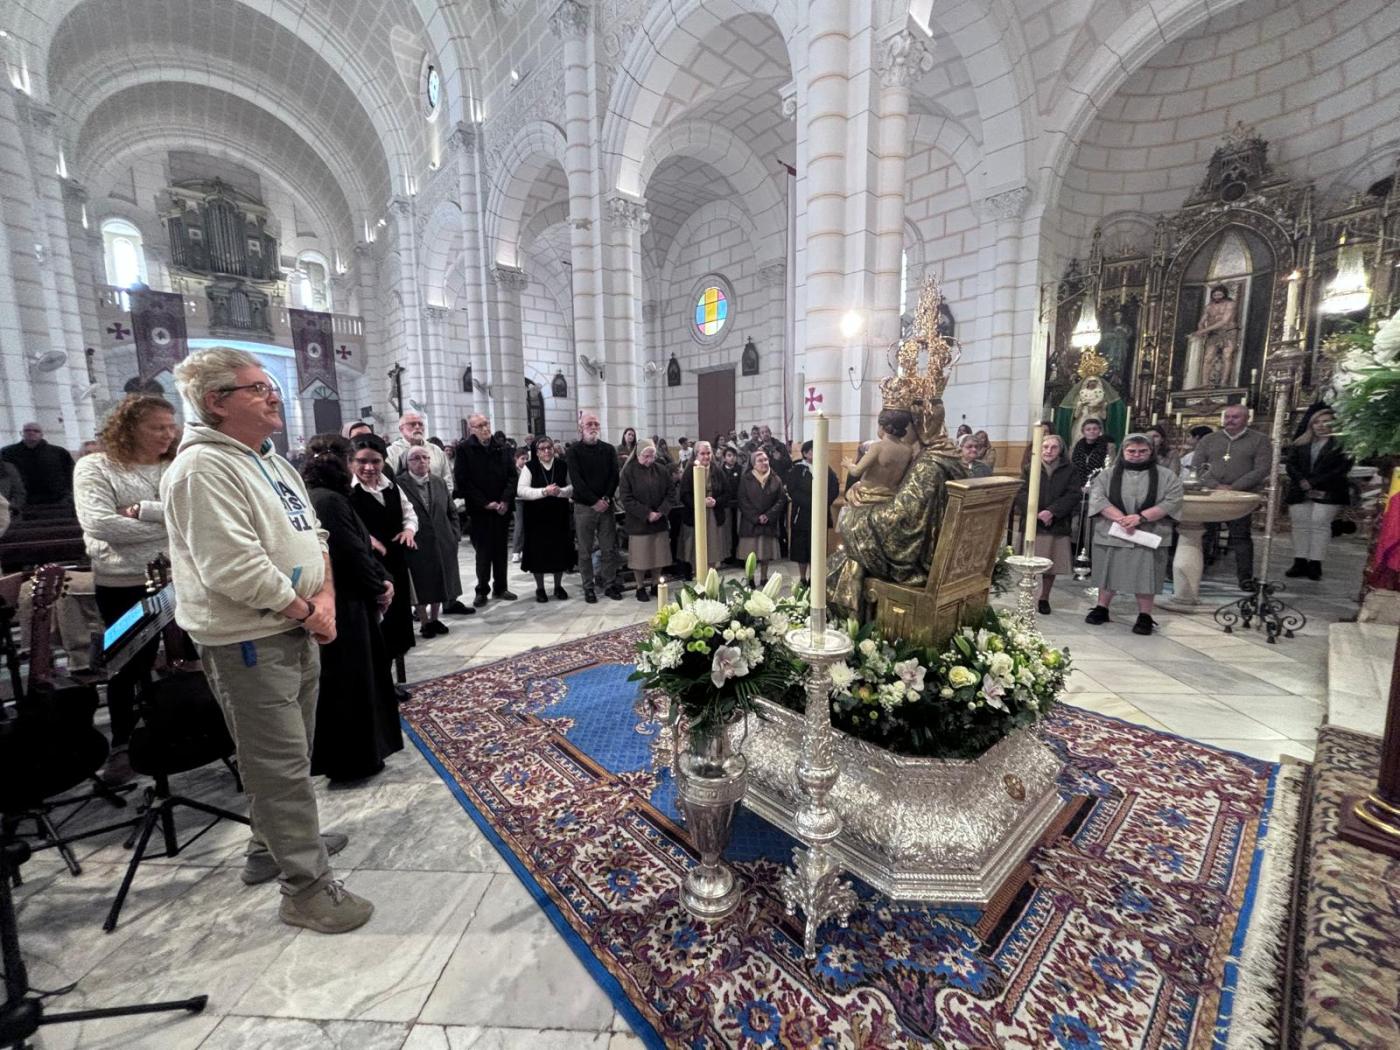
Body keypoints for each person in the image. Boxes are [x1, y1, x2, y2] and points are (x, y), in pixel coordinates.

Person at [162, 347, 370, 933]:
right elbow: (232, 566)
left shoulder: (270, 461)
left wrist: (325, 597)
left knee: (290, 754)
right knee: (277, 765)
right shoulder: (203, 468)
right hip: (250, 637)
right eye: (257, 388)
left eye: (271, 385)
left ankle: (267, 847)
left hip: (294, 624)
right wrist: (308, 610)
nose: (273, 394)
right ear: (216, 403)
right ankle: (305, 889)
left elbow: (314, 531)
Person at [73, 394, 180, 783]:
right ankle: (122, 743)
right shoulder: (95, 467)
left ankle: (184, 729)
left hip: (180, 576)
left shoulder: (174, 464)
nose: (168, 434)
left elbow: (192, 514)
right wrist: (170, 524)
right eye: (158, 427)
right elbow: (101, 524)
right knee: (126, 665)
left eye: (171, 426)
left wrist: (146, 512)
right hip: (122, 581)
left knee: (189, 659)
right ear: (129, 428)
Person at [301, 435, 400, 782]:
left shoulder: (325, 497)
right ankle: (354, 760)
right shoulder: (328, 501)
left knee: (355, 679)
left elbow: (359, 544)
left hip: (346, 597)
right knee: (350, 683)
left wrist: (380, 577)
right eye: (353, 461)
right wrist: (379, 586)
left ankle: (360, 755)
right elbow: (348, 551)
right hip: (345, 601)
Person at [1083, 433, 1184, 636]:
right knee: (1108, 570)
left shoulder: (1166, 476)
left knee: (1146, 574)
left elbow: (1172, 501)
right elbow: (1098, 497)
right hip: (1114, 531)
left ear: (1150, 452)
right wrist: (1120, 517)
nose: (1136, 455)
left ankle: (1144, 615)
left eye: (1142, 451)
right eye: (1131, 451)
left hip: (1149, 532)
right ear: (1123, 452)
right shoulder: (1107, 475)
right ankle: (1102, 607)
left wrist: (1141, 517)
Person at [348, 434, 417, 664]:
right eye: (362, 461)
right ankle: (381, 684)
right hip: (368, 567)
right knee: (376, 627)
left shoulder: (392, 487)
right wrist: (367, 539)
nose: (369, 467)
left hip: (395, 561)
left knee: (397, 621)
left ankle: (392, 677)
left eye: (376, 461)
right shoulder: (348, 493)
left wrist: (409, 530)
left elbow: (409, 514)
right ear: (351, 462)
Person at [1193, 403, 1271, 588]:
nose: (1230, 420)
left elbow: (1262, 468)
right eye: (1227, 417)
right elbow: (1197, 466)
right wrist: (1214, 485)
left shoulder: (1259, 440)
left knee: (1240, 537)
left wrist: (1234, 487)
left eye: (1235, 417)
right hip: (1211, 494)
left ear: (1247, 419)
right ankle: (1196, 572)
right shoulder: (1210, 439)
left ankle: (1245, 577)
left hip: (1240, 496)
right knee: (1204, 534)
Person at [398, 445, 466, 635]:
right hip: (416, 540)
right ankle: (424, 621)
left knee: (439, 579)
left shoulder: (438, 482)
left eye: (425, 457)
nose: (422, 461)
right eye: (416, 458)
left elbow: (451, 510)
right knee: (420, 583)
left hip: (442, 539)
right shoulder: (399, 483)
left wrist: (454, 535)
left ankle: (435, 619)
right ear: (407, 463)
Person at [1015, 433, 1083, 614]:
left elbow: (1073, 494)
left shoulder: (1070, 470)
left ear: (1061, 450)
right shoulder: (1030, 468)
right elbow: (1020, 492)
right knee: (1029, 562)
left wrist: (1052, 511)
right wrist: (1035, 512)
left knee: (1049, 563)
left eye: (1054, 447)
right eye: (1045, 447)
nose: (1049, 451)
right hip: (1033, 522)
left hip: (1056, 523)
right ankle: (1027, 595)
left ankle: (1044, 597)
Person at [1283, 403, 1352, 581]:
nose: (1321, 425)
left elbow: (1341, 468)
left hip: (1328, 490)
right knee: (1300, 525)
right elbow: (1291, 464)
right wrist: (1301, 481)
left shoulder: (1342, 445)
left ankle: (1315, 563)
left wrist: (1313, 482)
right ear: (1311, 425)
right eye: (1317, 422)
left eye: (1326, 422)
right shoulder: (1300, 443)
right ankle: (1300, 561)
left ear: (1335, 424)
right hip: (1300, 490)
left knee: (1320, 525)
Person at [454, 414, 517, 606]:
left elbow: (512, 476)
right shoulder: (464, 449)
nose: (484, 428)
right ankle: (482, 590)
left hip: (501, 509)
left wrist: (505, 500)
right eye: (479, 426)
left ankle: (501, 587)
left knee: (500, 550)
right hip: (480, 510)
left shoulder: (502, 447)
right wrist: (484, 503)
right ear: (471, 429)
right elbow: (463, 480)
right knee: (483, 552)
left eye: (486, 424)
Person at [566, 413, 623, 603]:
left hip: (606, 505)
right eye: (589, 424)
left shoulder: (608, 449)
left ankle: (609, 584)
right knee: (585, 550)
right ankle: (588, 587)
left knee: (609, 549)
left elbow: (614, 476)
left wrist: (605, 498)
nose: (593, 427)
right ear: (580, 427)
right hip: (584, 507)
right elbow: (577, 480)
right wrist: (594, 501)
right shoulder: (573, 451)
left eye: (596, 423)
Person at [516, 436, 576, 601]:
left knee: (559, 551)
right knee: (538, 553)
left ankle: (558, 586)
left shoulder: (563, 465)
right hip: (536, 516)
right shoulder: (530, 467)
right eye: (543, 448)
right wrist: (544, 491)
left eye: (549, 447)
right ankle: (540, 588)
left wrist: (561, 492)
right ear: (537, 452)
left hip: (558, 515)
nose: (547, 451)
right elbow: (521, 491)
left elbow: (572, 487)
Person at [619, 440, 675, 602]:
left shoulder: (661, 470)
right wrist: (646, 513)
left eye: (652, 456)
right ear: (638, 455)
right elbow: (626, 498)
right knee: (640, 558)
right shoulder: (628, 472)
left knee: (659, 556)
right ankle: (640, 586)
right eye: (646, 456)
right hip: (639, 522)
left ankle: (655, 583)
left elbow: (671, 493)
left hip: (659, 520)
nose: (650, 460)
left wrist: (661, 511)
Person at [789, 439, 838, 587]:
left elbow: (833, 488)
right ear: (805, 453)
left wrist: (823, 503)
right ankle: (803, 577)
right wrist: (811, 503)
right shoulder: (798, 469)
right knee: (801, 547)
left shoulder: (826, 469)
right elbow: (793, 490)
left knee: (817, 547)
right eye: (813, 450)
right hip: (802, 514)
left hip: (820, 514)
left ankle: (814, 576)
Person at [844, 409, 916, 507]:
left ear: (882, 427)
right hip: (890, 497)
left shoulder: (878, 447)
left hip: (867, 496)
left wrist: (848, 464)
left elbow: (856, 471)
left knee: (851, 494)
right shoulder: (908, 450)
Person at [737, 448, 787, 586]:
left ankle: (764, 577)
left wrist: (769, 515)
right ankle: (750, 578)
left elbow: (781, 500)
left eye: (765, 460)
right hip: (750, 523)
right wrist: (756, 516)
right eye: (760, 460)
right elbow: (742, 500)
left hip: (769, 522)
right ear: (753, 463)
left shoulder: (775, 479)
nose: (764, 462)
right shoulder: (746, 479)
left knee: (766, 553)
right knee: (750, 554)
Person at [2, 422, 75, 508]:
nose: (31, 433)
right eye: (27, 430)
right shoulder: (8, 452)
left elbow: (71, 473)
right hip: (22, 502)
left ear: (42, 434)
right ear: (21, 433)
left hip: (56, 500)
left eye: (36, 431)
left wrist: (68, 495)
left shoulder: (58, 452)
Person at [679, 440, 724, 575]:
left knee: (712, 547)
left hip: (713, 515)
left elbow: (727, 493)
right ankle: (698, 576)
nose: (706, 457)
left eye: (708, 453)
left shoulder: (717, 470)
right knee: (696, 548)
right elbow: (684, 494)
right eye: (702, 453)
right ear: (696, 454)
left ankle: (711, 577)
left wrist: (715, 501)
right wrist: (700, 502)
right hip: (695, 515)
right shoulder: (689, 471)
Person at [385, 411, 450, 482]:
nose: (417, 427)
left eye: (420, 424)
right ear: (401, 429)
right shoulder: (391, 452)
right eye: (412, 424)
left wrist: (443, 493)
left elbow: (447, 478)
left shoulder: (436, 450)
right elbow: (388, 480)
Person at [718, 444, 744, 565]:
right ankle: (727, 555)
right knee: (727, 532)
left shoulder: (740, 469)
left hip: (738, 505)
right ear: (724, 457)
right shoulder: (720, 471)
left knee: (738, 530)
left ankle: (738, 555)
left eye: (734, 455)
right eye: (729, 455)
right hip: (726, 505)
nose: (732, 458)